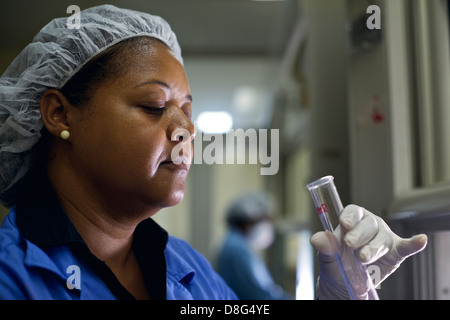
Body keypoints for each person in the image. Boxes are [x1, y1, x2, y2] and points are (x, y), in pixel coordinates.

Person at [0, 4, 427, 300]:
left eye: (189, 111)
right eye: (154, 106)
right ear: (59, 114)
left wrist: (342, 293)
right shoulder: (12, 276)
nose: (186, 130)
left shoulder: (186, 267)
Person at [216, 192, 292, 300]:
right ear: (249, 220)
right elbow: (257, 294)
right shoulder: (236, 249)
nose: (269, 225)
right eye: (266, 219)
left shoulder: (237, 244)